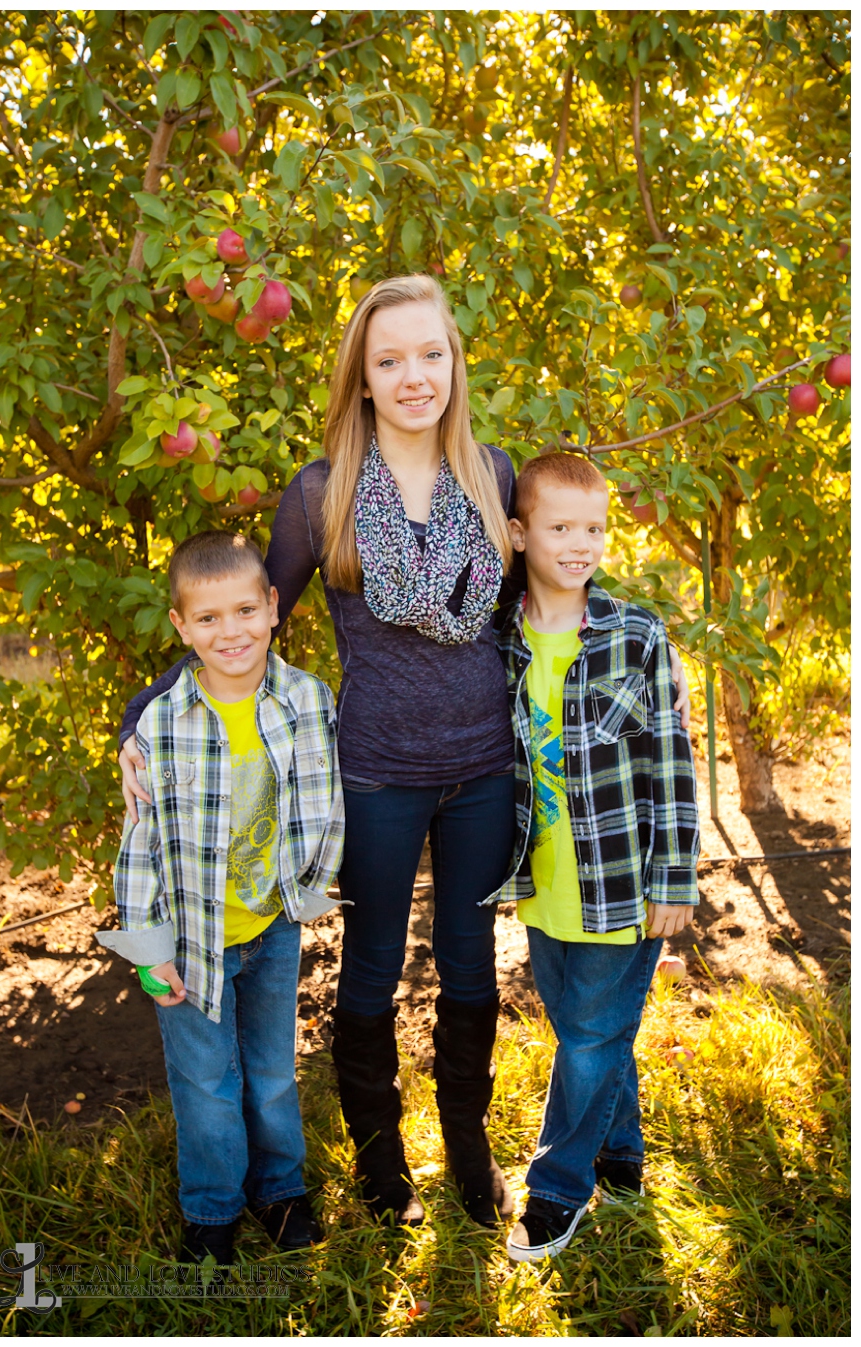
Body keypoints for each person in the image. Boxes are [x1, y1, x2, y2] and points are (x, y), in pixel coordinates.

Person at [117, 275, 691, 1232]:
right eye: (390, 360)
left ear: (453, 364)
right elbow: (258, 622)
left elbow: (548, 586)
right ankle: (381, 1160)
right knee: (373, 967)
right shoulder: (321, 494)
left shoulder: (492, 475)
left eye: (430, 353)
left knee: (470, 964)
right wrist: (143, 717)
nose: (413, 374)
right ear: (364, 377)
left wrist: (629, 651)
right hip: (375, 768)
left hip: (483, 767)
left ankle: (467, 1147)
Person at [97, 531, 345, 1265]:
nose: (228, 631)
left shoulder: (307, 700)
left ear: (273, 607)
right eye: (207, 619)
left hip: (270, 930)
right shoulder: (161, 724)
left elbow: (323, 804)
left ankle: (280, 1190)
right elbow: (138, 845)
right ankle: (211, 1209)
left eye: (244, 610)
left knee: (271, 1070)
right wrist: (147, 952)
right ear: (180, 627)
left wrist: (309, 888)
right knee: (205, 1081)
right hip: (189, 939)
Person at [493, 452, 700, 1263]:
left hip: (623, 881)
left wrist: (674, 878)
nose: (580, 544)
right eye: (559, 527)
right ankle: (620, 1160)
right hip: (544, 882)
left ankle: (557, 1192)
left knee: (586, 1037)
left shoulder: (635, 636)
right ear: (519, 533)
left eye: (594, 528)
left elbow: (671, 765)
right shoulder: (498, 637)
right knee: (586, 1031)